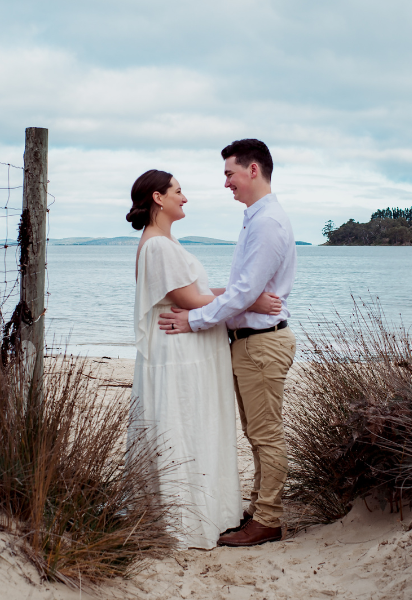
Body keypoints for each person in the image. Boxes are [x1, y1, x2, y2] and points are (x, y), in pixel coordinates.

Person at [126, 169, 282, 550]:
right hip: (181, 354)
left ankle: (206, 511)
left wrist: (236, 293)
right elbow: (192, 302)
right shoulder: (158, 246)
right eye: (179, 191)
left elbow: (195, 292)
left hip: (189, 350)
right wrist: (249, 298)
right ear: (158, 199)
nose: (185, 197)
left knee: (194, 426)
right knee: (185, 425)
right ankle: (187, 518)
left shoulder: (165, 242)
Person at [158, 139, 296, 547]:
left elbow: (242, 293)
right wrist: (235, 301)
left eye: (229, 174)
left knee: (266, 434)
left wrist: (194, 320)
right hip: (252, 341)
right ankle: (259, 509)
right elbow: (243, 292)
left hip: (261, 344)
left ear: (253, 170)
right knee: (258, 434)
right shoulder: (256, 219)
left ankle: (268, 519)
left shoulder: (268, 222)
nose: (226, 184)